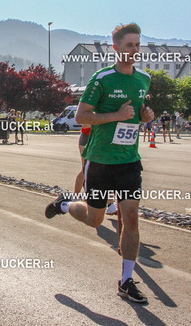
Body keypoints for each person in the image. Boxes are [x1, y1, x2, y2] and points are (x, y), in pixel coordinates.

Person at [45, 23, 153, 303]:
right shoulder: (101, 78)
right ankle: (65, 205)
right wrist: (115, 115)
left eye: (138, 45)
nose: (135, 50)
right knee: (96, 219)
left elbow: (138, 112)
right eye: (129, 45)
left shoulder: (144, 79)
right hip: (100, 161)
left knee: (131, 217)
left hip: (129, 160)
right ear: (116, 48)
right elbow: (81, 116)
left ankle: (126, 281)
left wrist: (145, 115)